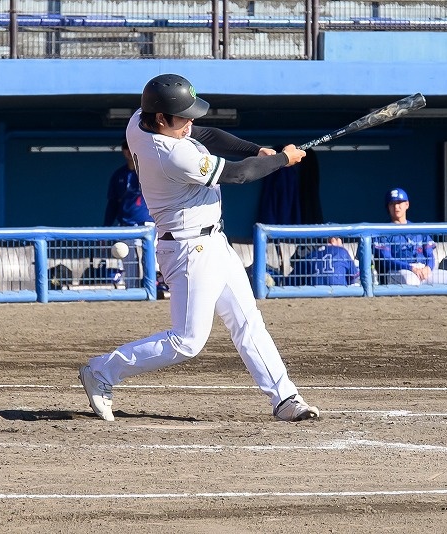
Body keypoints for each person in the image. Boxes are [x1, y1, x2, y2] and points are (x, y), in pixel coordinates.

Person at [79, 73, 319, 422]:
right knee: (187, 341)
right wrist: (282, 159)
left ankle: (285, 398)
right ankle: (102, 371)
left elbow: (207, 134)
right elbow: (238, 175)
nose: (190, 121)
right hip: (189, 251)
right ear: (161, 118)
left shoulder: (140, 121)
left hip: (215, 242)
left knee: (248, 322)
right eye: (182, 116)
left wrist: (256, 150)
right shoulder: (172, 155)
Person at [373, 188, 447, 285]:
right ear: (388, 207)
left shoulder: (418, 228)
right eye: (392, 204)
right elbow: (387, 260)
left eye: (399, 202)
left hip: (423, 269)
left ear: (407, 204)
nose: (396, 207)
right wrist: (411, 268)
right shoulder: (384, 231)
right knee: (412, 282)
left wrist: (428, 267)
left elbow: (430, 255)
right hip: (400, 270)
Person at [103, 140, 152, 227]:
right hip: (124, 226)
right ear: (122, 149)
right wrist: (106, 227)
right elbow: (113, 204)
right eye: (126, 146)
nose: (129, 149)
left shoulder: (150, 172)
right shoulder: (118, 174)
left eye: (133, 145)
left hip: (145, 226)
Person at [294, 237, 359, 286]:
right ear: (333, 240)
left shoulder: (311, 255)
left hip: (315, 293)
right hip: (339, 292)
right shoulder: (342, 251)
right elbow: (354, 278)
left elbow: (293, 280)